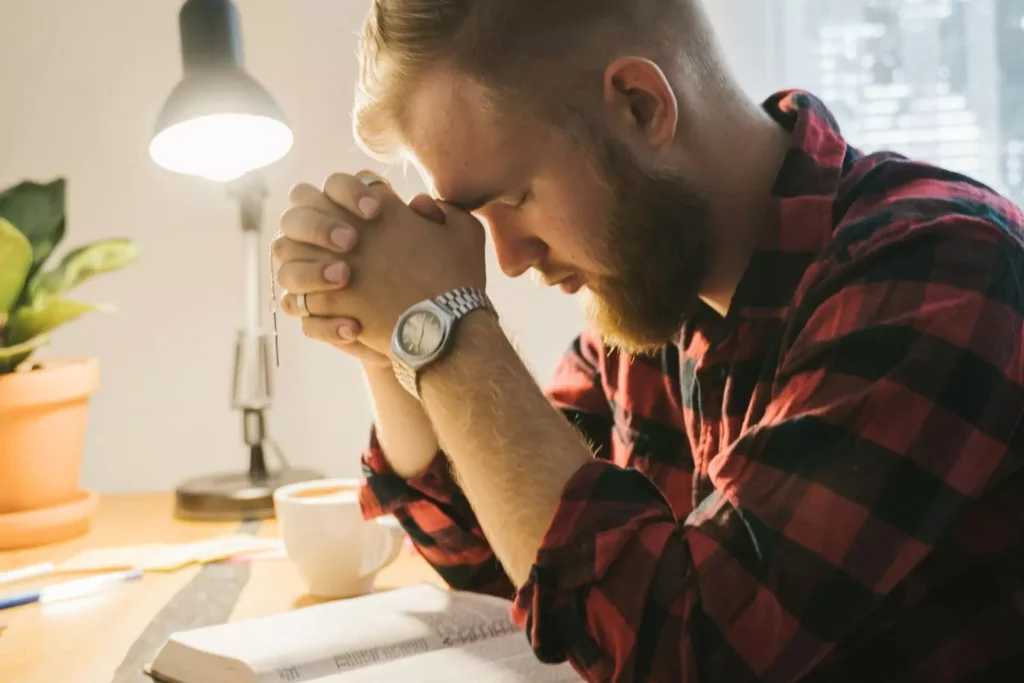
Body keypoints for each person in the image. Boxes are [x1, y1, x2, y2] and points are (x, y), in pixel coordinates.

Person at [271, 0, 1024, 680]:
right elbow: (514, 567)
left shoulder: (939, 268)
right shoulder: (656, 298)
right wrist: (388, 349)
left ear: (639, 105)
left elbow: (685, 654)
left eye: (513, 198)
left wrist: (440, 324)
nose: (505, 259)